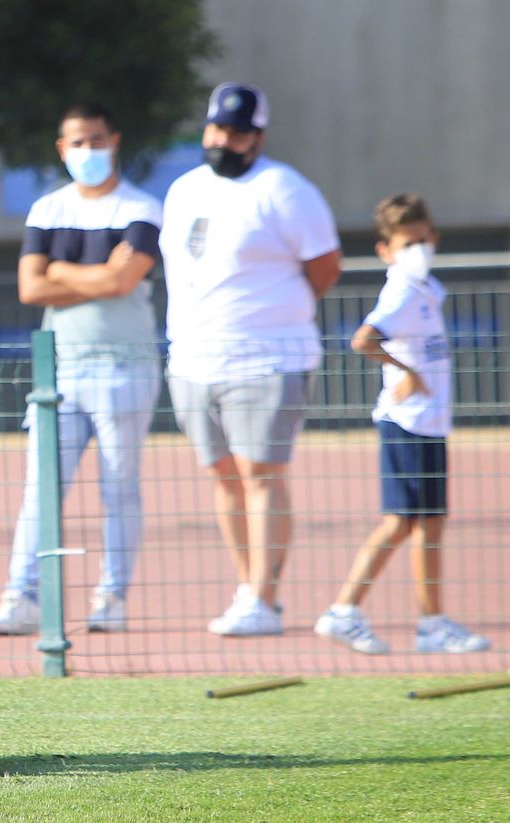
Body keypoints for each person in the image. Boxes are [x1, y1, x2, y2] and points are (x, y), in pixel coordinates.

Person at [160, 83, 343, 637]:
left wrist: (273, 314)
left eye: (237, 132)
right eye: (216, 128)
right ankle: (248, 589)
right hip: (192, 357)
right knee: (223, 476)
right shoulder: (184, 188)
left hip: (267, 358)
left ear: (258, 137)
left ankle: (264, 597)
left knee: (261, 473)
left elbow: (325, 267)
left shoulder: (285, 189)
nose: (223, 140)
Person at [0, 102, 163, 637]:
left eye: (97, 140)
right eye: (77, 143)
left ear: (115, 140)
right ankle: (23, 596)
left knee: (119, 487)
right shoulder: (47, 209)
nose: (88, 151)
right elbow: (30, 287)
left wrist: (60, 270)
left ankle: (112, 597)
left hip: (125, 367)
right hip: (58, 371)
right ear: (62, 149)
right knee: (41, 488)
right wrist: (87, 273)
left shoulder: (143, 207)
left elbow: (123, 282)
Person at [315, 195, 489, 654]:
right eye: (407, 242)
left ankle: (432, 623)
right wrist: (407, 372)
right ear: (386, 250)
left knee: (431, 524)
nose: (419, 248)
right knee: (399, 522)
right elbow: (364, 340)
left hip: (431, 423)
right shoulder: (402, 292)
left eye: (424, 238)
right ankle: (343, 610)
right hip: (406, 423)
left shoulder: (427, 288)